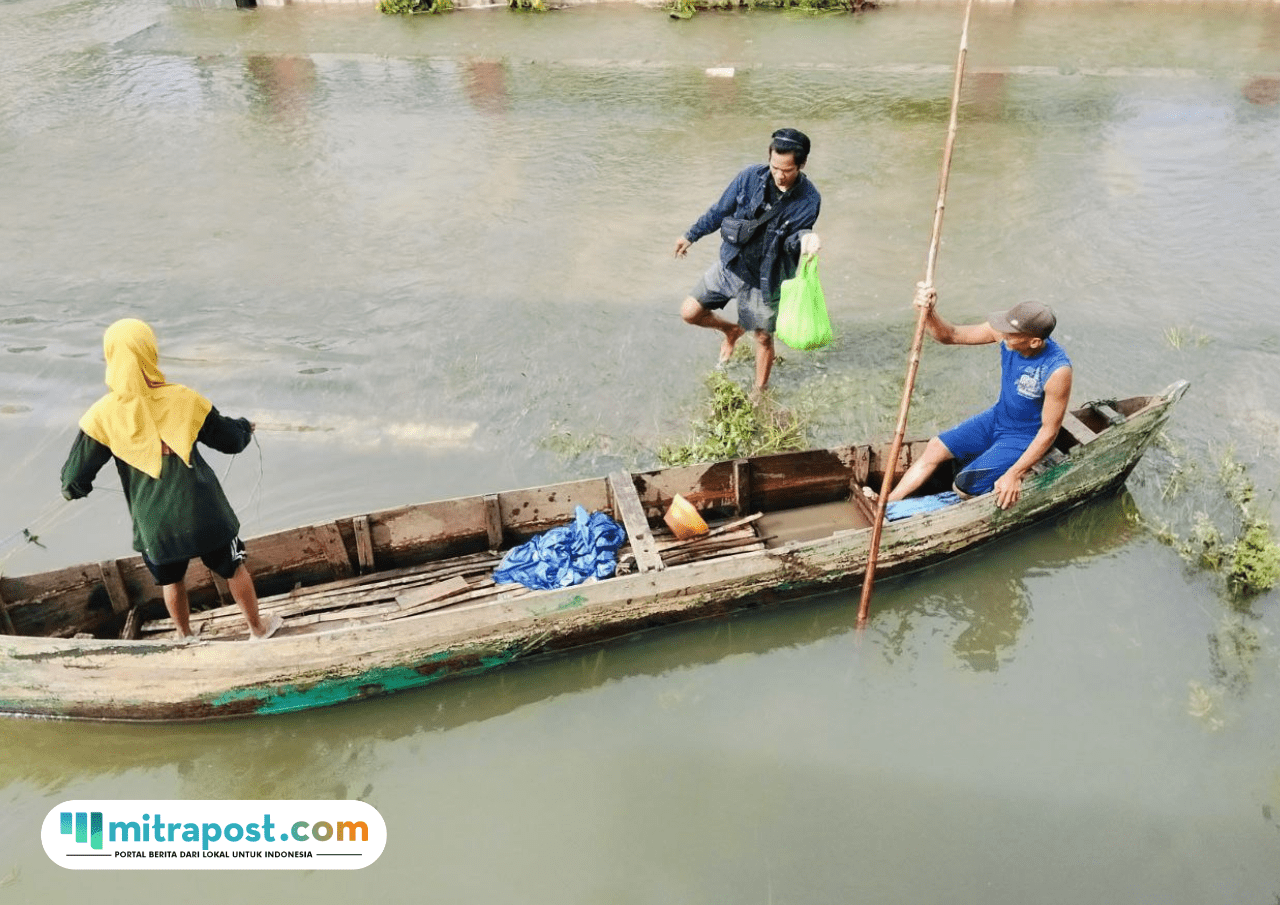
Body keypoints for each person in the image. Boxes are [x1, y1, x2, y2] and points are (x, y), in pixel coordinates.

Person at [60, 318, 283, 642]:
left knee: (171, 581)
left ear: (111, 357)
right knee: (234, 568)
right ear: (151, 352)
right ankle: (257, 630)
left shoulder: (101, 416)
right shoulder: (184, 398)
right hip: (207, 515)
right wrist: (245, 426)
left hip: (156, 527)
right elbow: (230, 440)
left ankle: (183, 636)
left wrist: (76, 490)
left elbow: (73, 480)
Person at [886, 285, 1073, 511]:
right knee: (935, 447)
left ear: (1034, 341)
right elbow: (950, 335)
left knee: (964, 486)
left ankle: (933, 510)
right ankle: (887, 504)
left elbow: (1049, 430)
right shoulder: (1005, 336)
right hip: (998, 418)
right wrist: (928, 312)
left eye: (1010, 334)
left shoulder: (1057, 370)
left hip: (1023, 435)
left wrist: (1015, 474)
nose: (1002, 336)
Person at [674, 128, 823, 395]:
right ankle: (731, 330)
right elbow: (720, 210)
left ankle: (759, 393)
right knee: (689, 313)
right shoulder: (749, 177)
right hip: (731, 264)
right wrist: (691, 235)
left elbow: (793, 240)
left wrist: (806, 240)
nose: (779, 175)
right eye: (775, 167)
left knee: (763, 337)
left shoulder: (809, 199)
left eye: (787, 170)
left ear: (802, 164)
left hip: (765, 280)